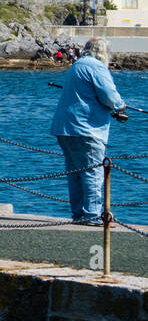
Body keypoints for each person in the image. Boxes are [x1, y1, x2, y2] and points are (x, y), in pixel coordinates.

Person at [50, 37, 127, 223]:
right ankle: (92, 215)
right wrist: (120, 106)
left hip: (65, 127)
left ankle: (78, 214)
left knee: (75, 173)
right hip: (86, 129)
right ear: (103, 52)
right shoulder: (97, 67)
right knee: (92, 171)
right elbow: (109, 95)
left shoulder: (77, 65)